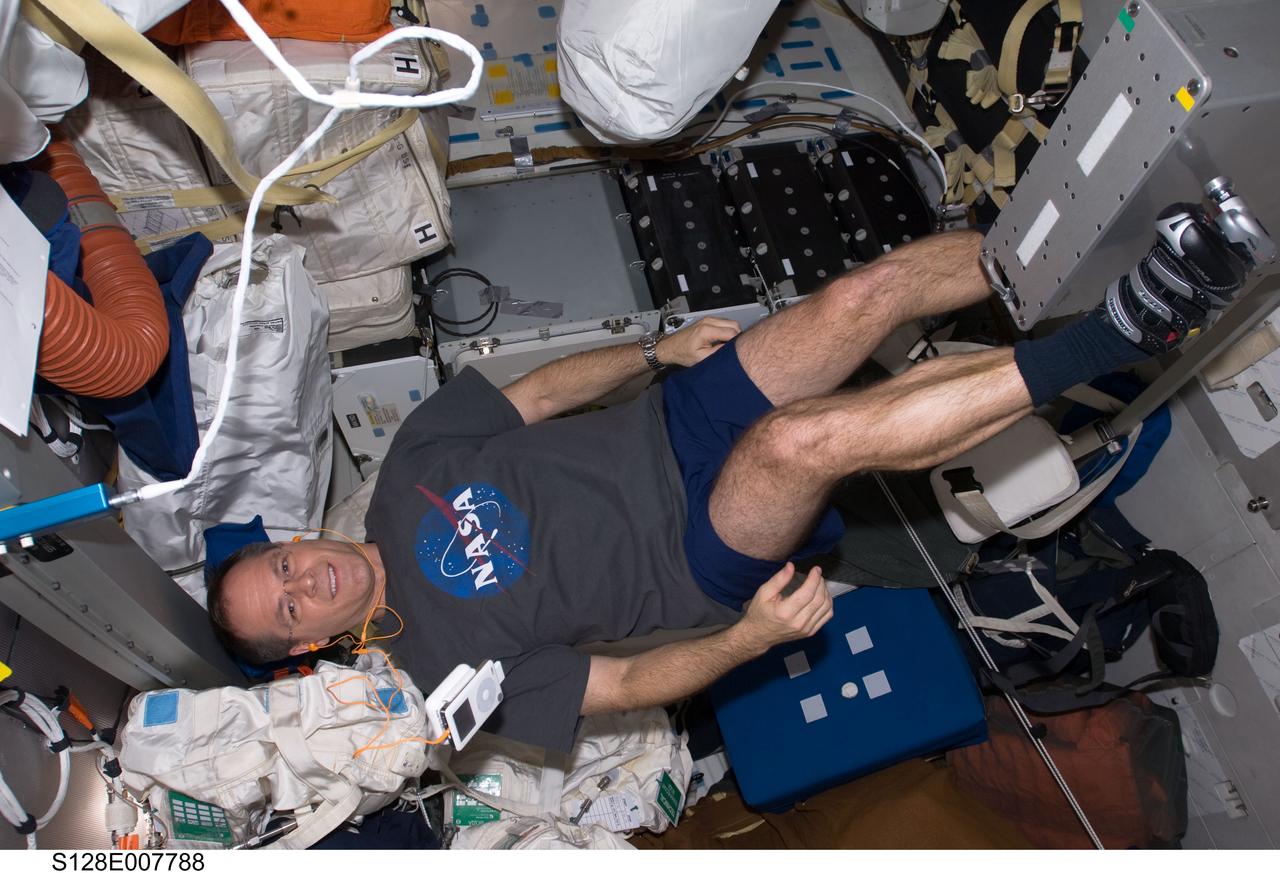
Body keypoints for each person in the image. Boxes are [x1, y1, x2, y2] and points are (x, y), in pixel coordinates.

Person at [208, 210, 1251, 752]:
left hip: (671, 417)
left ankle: (1097, 236)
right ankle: (1126, 329)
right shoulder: (436, 675)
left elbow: (529, 397)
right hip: (696, 552)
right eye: (288, 607)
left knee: (859, 297)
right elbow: (616, 685)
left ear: (292, 538)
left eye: (281, 564)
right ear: (309, 643)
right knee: (799, 442)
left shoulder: (404, 471)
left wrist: (653, 354)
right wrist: (748, 640)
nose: (305, 579)